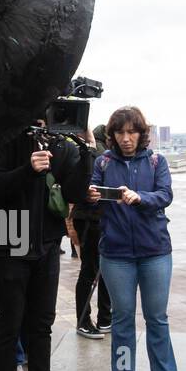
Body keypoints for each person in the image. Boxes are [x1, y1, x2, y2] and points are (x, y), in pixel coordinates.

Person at [0, 121, 89, 371]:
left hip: (47, 247)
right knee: (9, 325)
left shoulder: (63, 145)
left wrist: (86, 152)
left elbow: (76, 194)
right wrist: (28, 169)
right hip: (10, 243)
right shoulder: (7, 138)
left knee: (42, 325)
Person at [88, 106, 184, 371]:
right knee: (122, 317)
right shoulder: (103, 162)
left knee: (157, 317)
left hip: (155, 251)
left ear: (142, 133)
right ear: (112, 135)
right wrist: (92, 196)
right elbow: (93, 199)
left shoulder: (157, 161)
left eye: (132, 132)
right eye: (120, 132)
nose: (126, 138)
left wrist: (140, 197)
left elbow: (165, 195)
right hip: (115, 254)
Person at [71, 124, 112, 337]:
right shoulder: (92, 149)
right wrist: (90, 143)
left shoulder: (105, 148)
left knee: (104, 270)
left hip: (100, 218)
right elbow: (96, 167)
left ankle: (105, 318)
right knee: (90, 270)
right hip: (89, 218)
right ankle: (83, 319)